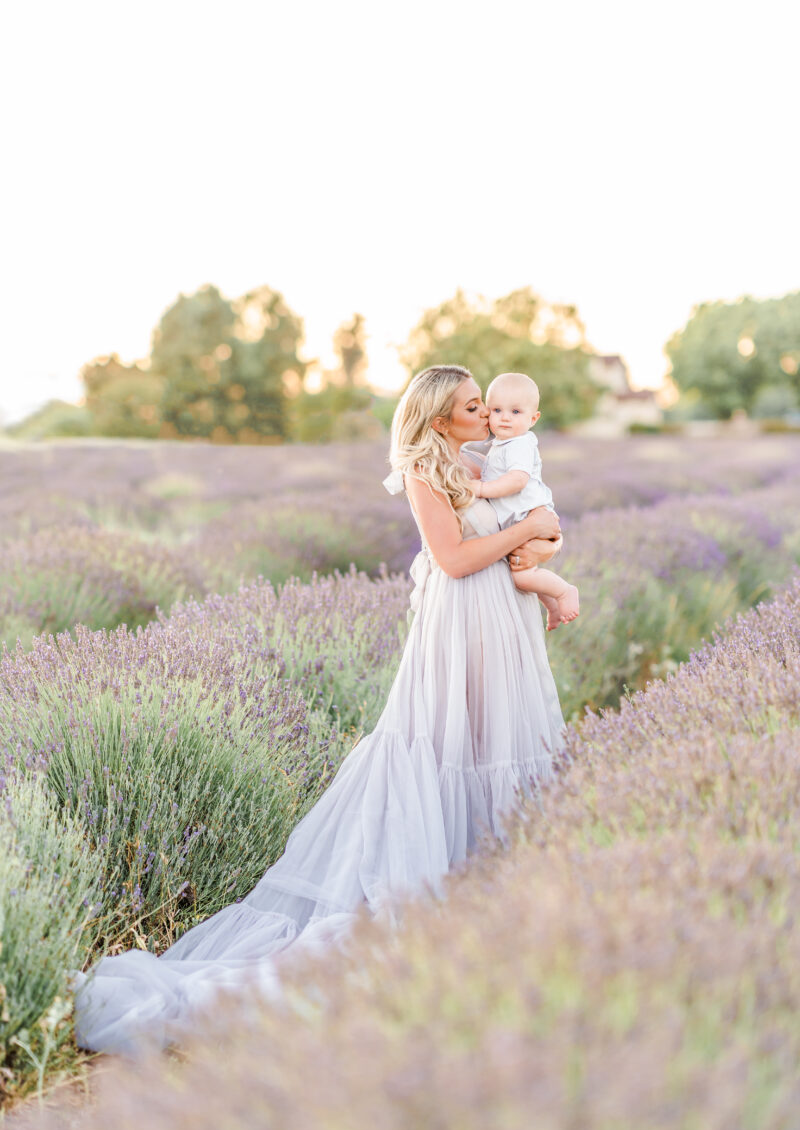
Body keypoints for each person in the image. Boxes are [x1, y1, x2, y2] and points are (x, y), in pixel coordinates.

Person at [72, 364, 565, 1057]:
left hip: (497, 625)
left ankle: (504, 903)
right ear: (436, 417)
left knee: (492, 747)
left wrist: (545, 555)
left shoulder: (480, 465)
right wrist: (528, 535)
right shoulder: (425, 474)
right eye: (472, 406)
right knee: (451, 749)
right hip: (459, 628)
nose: (486, 414)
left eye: (486, 405)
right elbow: (453, 561)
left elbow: (534, 529)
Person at [468, 372, 579, 632]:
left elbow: (517, 480)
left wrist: (482, 488)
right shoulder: (503, 443)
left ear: (533, 418)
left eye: (515, 411)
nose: (504, 417)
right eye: (497, 409)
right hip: (519, 519)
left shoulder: (519, 445)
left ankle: (564, 592)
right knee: (526, 574)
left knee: (522, 577)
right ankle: (551, 605)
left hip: (526, 516)